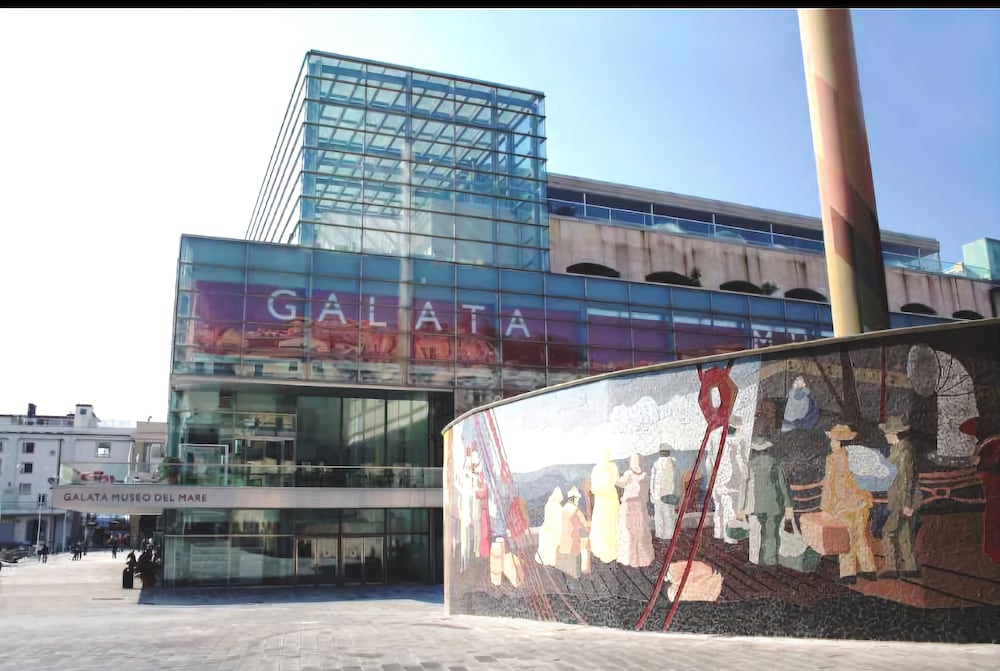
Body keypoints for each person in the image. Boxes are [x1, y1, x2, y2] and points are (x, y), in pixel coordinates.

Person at [820, 423, 877, 584]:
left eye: (834, 440)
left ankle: (848, 573)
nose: (831, 443)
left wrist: (825, 507)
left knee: (846, 539)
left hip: (842, 505)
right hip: (861, 503)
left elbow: (829, 484)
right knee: (861, 536)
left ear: (840, 442)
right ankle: (869, 569)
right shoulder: (857, 458)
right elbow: (866, 481)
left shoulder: (832, 459)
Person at [878, 415, 921, 579]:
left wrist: (907, 503)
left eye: (887, 433)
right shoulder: (897, 449)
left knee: (888, 531)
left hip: (901, 499)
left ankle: (891, 567)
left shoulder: (904, 451)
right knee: (904, 532)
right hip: (897, 497)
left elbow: (906, 479)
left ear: (895, 433)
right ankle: (910, 566)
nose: (885, 436)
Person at [740, 436, 793, 567]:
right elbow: (782, 486)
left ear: (755, 450)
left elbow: (744, 489)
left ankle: (754, 560)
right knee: (771, 535)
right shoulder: (775, 464)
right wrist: (788, 505)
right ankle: (770, 561)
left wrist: (742, 508)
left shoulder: (749, 465)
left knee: (755, 534)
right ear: (767, 449)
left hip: (754, 506)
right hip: (772, 505)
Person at [616, 453, 654, 568]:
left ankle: (637, 559)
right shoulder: (636, 475)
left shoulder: (638, 476)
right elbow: (621, 483)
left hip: (635, 506)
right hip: (632, 506)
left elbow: (621, 483)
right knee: (632, 532)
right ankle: (632, 558)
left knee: (637, 532)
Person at [589, 448, 621, 564]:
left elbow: (616, 480)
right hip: (601, 498)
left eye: (607, 454)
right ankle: (602, 548)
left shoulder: (613, 466)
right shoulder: (596, 468)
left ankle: (613, 549)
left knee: (612, 521)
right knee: (602, 522)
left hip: (610, 497)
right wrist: (599, 491)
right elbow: (593, 486)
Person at [649, 444, 680, 540]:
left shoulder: (672, 463)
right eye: (662, 452)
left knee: (667, 516)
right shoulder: (656, 464)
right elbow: (653, 480)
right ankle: (661, 535)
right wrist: (653, 493)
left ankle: (667, 536)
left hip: (667, 494)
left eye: (665, 452)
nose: (664, 453)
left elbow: (676, 480)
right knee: (661, 516)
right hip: (659, 494)